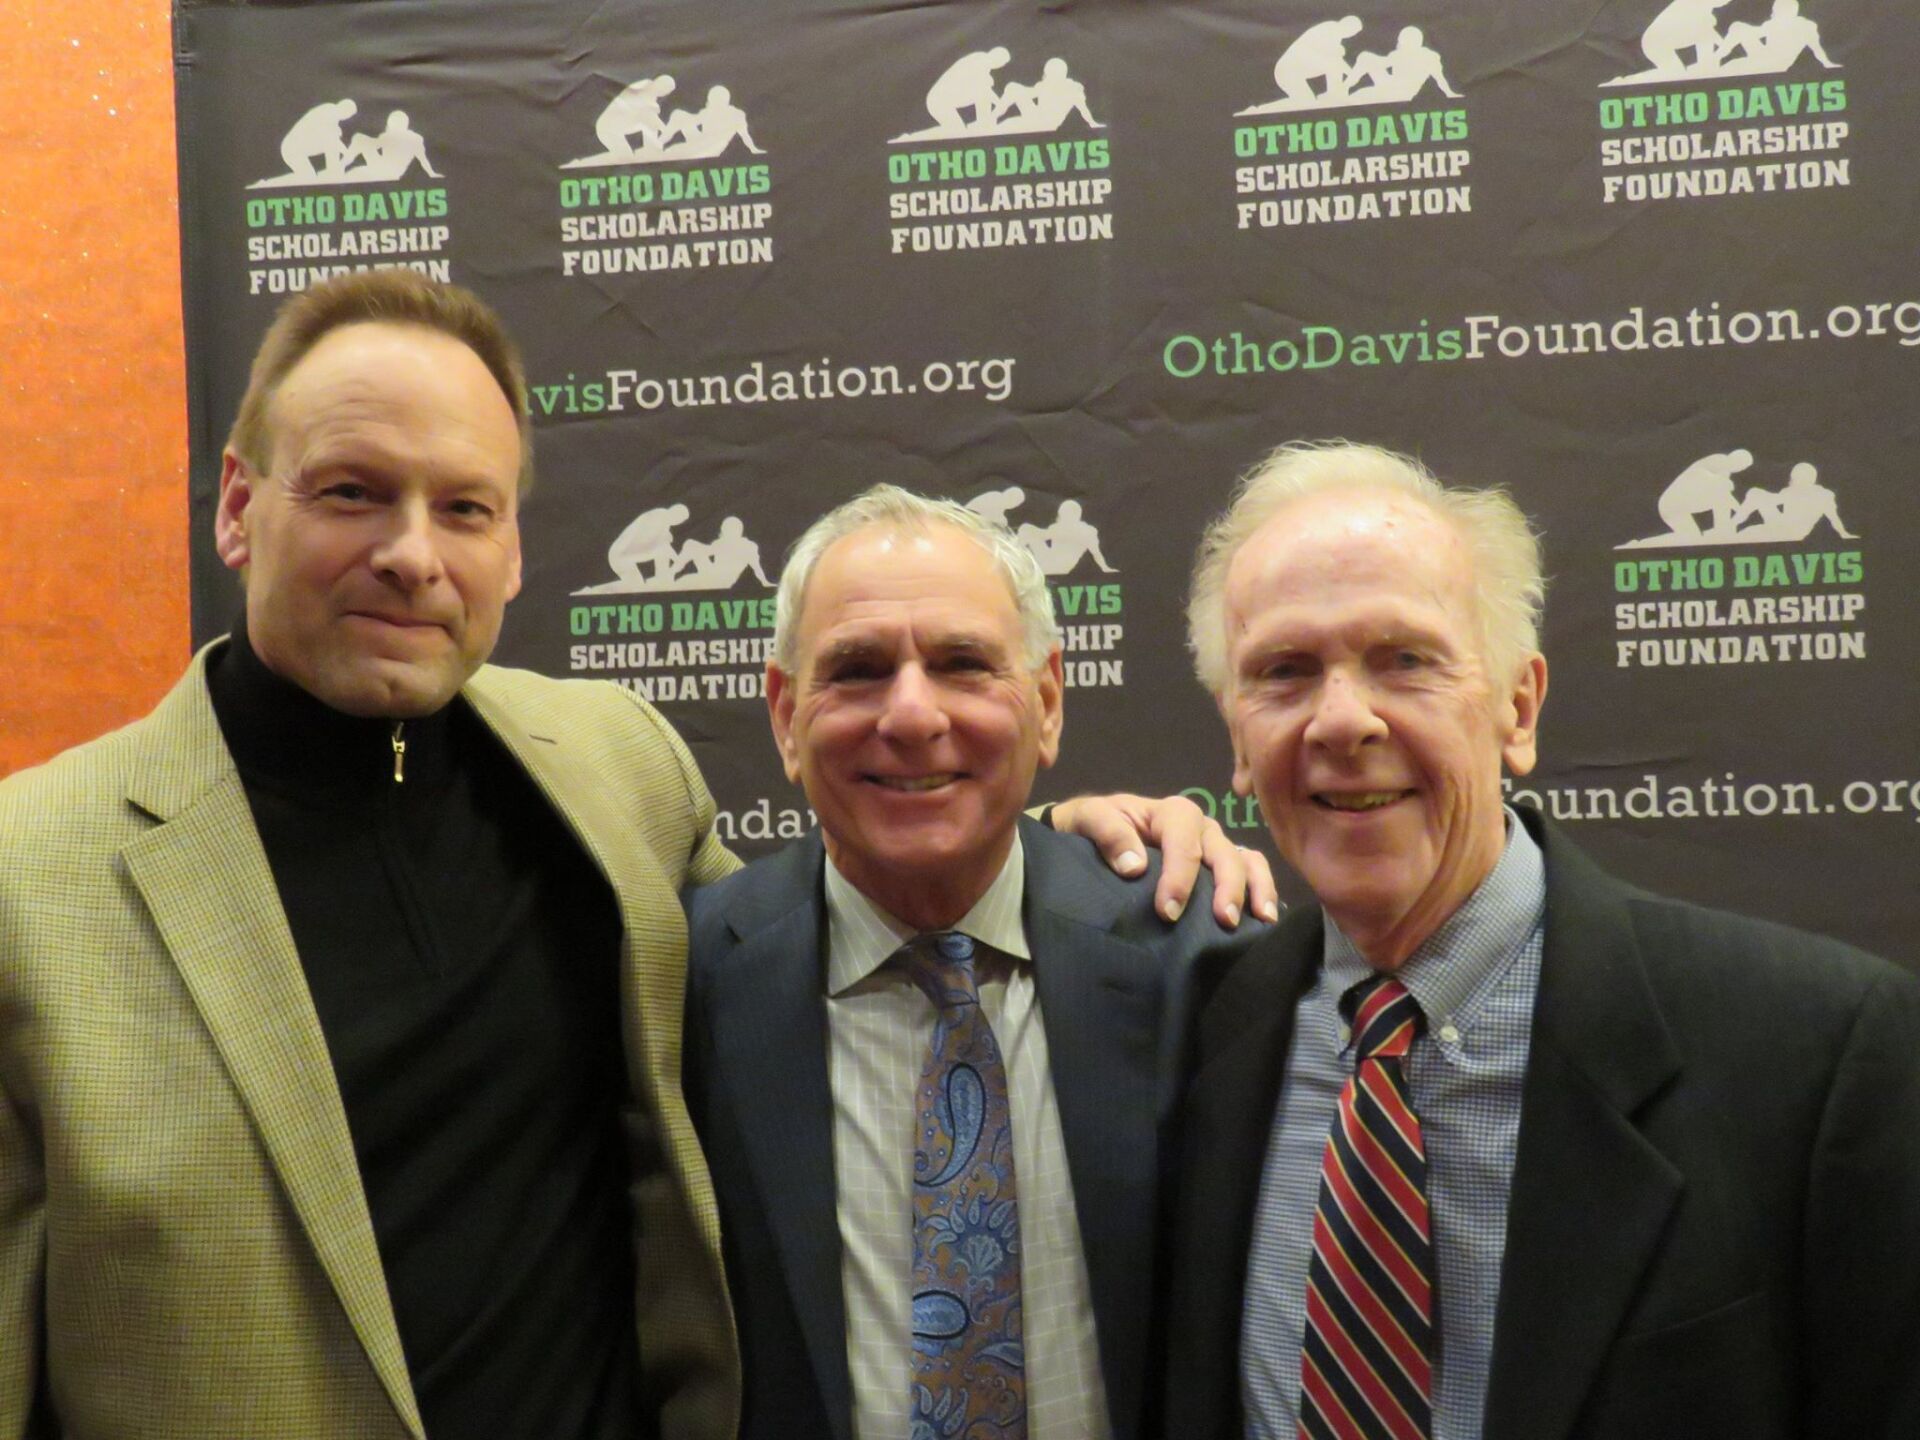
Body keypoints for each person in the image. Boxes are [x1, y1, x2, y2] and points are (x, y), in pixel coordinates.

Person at [0, 271, 1268, 1440]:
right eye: (349, 491)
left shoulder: (611, 771)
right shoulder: (29, 875)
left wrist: (1054, 840)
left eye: (464, 507)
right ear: (236, 508)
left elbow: (884, 878)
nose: (410, 551)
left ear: (511, 549)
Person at [1162, 441, 1920, 1440]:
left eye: (1405, 660)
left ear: (1518, 708)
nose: (1342, 721)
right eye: (1285, 673)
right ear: (1236, 741)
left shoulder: (1823, 1050)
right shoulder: (1191, 1030)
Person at [682, 488, 1262, 1440]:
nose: (911, 715)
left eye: (961, 665)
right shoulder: (685, 986)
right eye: (858, 671)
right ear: (786, 716)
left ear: (1046, 700)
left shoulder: (1201, 959)